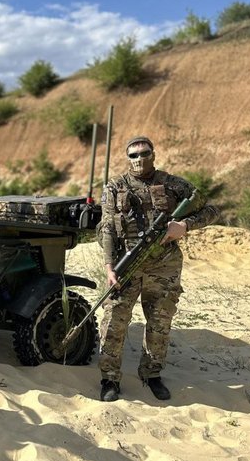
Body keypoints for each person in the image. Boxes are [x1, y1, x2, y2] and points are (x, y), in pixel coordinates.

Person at [97, 136, 218, 402]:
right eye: (133, 155)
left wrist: (184, 226)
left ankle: (152, 374)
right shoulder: (115, 187)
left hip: (164, 265)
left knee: (159, 323)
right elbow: (106, 228)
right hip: (127, 264)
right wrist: (109, 267)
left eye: (144, 153)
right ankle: (109, 379)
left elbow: (211, 210)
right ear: (127, 158)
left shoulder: (173, 184)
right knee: (114, 322)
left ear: (153, 154)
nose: (139, 159)